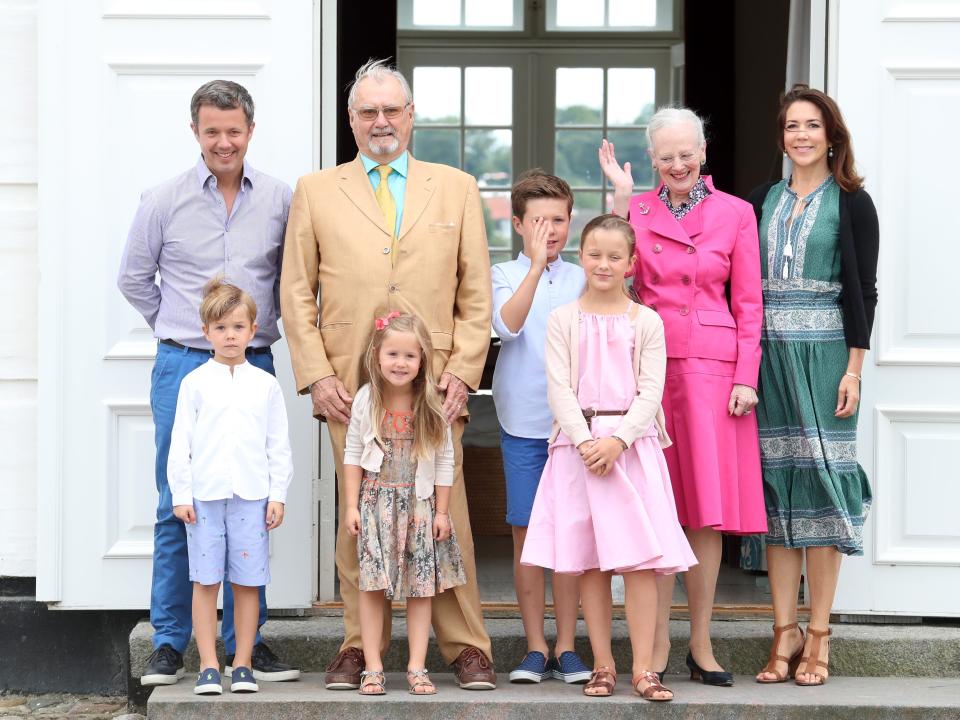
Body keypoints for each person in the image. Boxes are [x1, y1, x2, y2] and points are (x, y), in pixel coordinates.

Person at [280, 58, 495, 690]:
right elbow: (296, 291)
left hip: (436, 383)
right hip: (350, 381)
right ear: (351, 120)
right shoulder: (317, 189)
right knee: (360, 510)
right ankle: (357, 643)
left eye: (391, 110)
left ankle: (466, 645)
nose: (381, 121)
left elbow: (475, 293)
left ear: (411, 117)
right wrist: (316, 374)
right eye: (368, 111)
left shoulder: (454, 186)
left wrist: (464, 369)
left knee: (442, 506)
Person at [118, 79, 299, 686]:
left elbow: (291, 281)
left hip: (255, 366)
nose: (224, 141)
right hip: (182, 365)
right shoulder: (163, 200)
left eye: (234, 130)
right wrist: (176, 330)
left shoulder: (279, 200)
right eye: (212, 130)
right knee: (181, 505)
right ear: (195, 131)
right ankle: (170, 643)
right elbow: (135, 279)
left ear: (251, 130)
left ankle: (245, 645)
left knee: (249, 501)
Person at [598, 108, 766, 686]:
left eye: (685, 153)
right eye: (664, 156)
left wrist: (747, 375)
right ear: (650, 159)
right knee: (655, 506)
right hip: (645, 368)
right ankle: (656, 644)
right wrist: (620, 201)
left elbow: (748, 303)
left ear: (703, 152)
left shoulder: (737, 213)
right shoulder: (636, 210)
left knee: (706, 513)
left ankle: (701, 640)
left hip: (712, 374)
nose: (676, 165)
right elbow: (611, 279)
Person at [521, 214, 697, 702]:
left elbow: (651, 390)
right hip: (577, 452)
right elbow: (558, 387)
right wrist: (583, 442)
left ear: (630, 263)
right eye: (594, 254)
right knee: (591, 562)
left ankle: (644, 669)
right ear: (582, 256)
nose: (603, 263)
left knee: (639, 561)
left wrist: (617, 442)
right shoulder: (563, 320)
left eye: (614, 256)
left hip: (631, 449)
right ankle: (602, 665)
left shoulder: (647, 322)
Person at [748, 85, 878, 687]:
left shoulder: (853, 203)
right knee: (778, 493)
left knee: (824, 491)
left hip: (827, 360)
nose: (801, 135)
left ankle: (820, 633)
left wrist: (854, 369)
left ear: (832, 136)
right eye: (792, 126)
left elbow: (863, 292)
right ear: (783, 138)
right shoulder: (763, 201)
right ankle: (783, 632)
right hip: (769, 360)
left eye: (812, 126)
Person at [167, 280, 293, 695]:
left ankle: (242, 663)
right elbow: (180, 442)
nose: (230, 336)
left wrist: (278, 494)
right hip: (204, 498)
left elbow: (278, 444)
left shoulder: (265, 385)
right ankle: (207, 664)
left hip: (251, 497)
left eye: (238, 327)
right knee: (205, 582)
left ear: (253, 329)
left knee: (247, 581)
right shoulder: (195, 383)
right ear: (206, 332)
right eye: (220, 328)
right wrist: (182, 495)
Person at [490, 170, 590, 684]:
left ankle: (569, 646)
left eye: (558, 220)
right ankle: (535, 646)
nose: (548, 230)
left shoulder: (581, 277)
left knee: (571, 532)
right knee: (527, 532)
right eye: (537, 221)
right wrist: (533, 267)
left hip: (574, 427)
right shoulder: (504, 273)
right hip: (523, 421)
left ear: (572, 223)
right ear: (517, 224)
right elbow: (506, 325)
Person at [342, 313, 466, 696]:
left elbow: (445, 460)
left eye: (409, 356)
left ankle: (416, 666)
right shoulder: (367, 399)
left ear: (422, 360)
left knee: (420, 587)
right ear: (376, 356)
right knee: (372, 586)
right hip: (376, 502)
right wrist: (350, 506)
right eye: (392, 353)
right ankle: (374, 667)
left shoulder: (430, 403)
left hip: (419, 507)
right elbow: (351, 453)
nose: (400, 363)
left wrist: (442, 511)